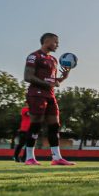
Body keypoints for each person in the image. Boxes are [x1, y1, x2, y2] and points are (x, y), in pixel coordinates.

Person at [23, 33, 74, 166]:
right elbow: (28, 76)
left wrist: (64, 77)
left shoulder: (54, 60)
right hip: (36, 94)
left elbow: (53, 81)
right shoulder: (34, 56)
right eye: (55, 42)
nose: (57, 44)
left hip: (50, 95)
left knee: (55, 125)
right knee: (36, 124)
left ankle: (56, 158)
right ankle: (29, 158)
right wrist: (48, 84)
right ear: (47, 41)